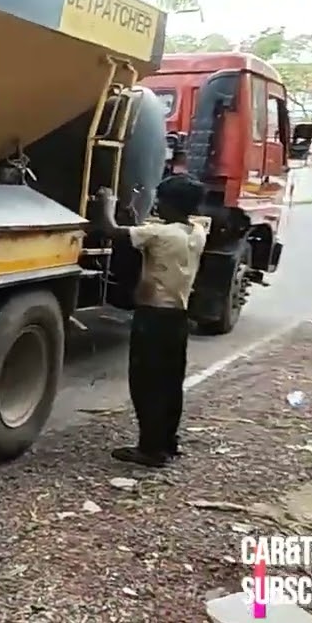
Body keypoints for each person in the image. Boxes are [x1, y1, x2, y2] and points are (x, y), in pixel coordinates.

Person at [93, 174, 208, 468]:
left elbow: (110, 230)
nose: (156, 204)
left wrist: (108, 203)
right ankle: (167, 443)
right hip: (177, 317)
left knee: (146, 385)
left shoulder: (161, 235)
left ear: (169, 203)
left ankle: (149, 449)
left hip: (153, 317)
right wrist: (133, 217)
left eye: (160, 200)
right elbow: (148, 231)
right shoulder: (196, 232)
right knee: (170, 384)